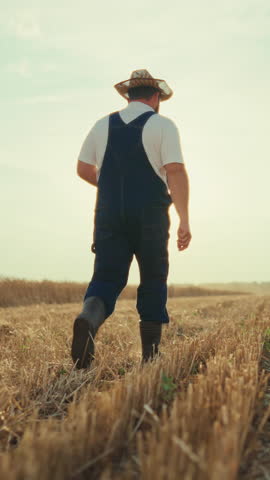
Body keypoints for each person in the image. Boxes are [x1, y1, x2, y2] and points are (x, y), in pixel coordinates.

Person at [71, 69, 191, 369]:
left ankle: (88, 319)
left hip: (108, 213)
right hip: (149, 213)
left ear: (128, 96)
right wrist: (184, 218)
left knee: (107, 277)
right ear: (155, 97)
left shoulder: (102, 125)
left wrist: (110, 187)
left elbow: (84, 169)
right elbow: (174, 171)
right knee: (152, 276)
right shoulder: (162, 125)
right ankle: (150, 356)